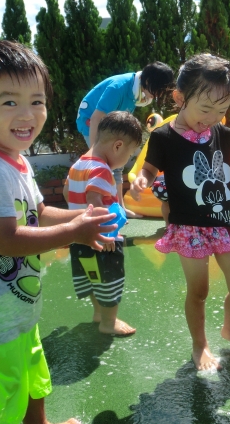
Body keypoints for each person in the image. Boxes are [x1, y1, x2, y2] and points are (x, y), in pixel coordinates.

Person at [0, 40, 117, 424]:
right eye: (9, 102)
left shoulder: (14, 160)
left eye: (37, 101)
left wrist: (79, 216)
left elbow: (38, 212)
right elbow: (6, 239)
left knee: (31, 376)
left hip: (13, 307)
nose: (28, 114)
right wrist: (74, 233)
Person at [130, 54, 230, 371]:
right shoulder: (163, 136)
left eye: (221, 110)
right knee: (199, 291)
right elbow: (148, 168)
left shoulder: (218, 132)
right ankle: (199, 346)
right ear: (179, 98)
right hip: (188, 227)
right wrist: (141, 181)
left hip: (223, 224)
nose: (213, 117)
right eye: (205, 109)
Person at [65, 111, 143, 336]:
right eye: (129, 155)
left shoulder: (79, 164)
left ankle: (98, 313)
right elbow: (94, 202)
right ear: (118, 146)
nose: (126, 162)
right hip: (102, 237)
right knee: (110, 279)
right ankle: (109, 322)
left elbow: (66, 190)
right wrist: (106, 234)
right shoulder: (102, 170)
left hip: (79, 237)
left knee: (92, 277)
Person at [76, 62, 174, 218]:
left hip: (109, 125)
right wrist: (95, 152)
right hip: (90, 122)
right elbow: (95, 118)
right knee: (103, 166)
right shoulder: (119, 88)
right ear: (148, 82)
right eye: (156, 91)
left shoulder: (135, 92)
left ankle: (120, 208)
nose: (157, 96)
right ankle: (104, 211)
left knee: (117, 166)